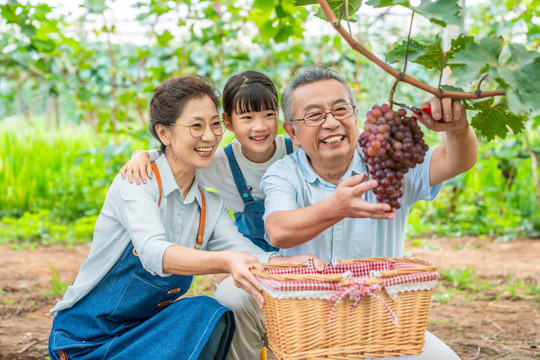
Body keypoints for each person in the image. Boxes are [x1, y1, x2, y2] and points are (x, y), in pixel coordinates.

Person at [215, 66, 477, 360]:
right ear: (293, 133)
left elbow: (454, 161)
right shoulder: (284, 173)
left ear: (355, 116)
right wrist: (335, 207)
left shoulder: (386, 161)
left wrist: (458, 130)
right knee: (230, 295)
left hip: (378, 321)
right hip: (303, 322)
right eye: (314, 116)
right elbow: (279, 230)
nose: (331, 123)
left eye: (341, 110)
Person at [48, 75, 306, 360]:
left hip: (144, 334)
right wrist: (225, 261)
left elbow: (242, 249)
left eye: (214, 124)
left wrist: (284, 263)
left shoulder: (209, 205)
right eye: (196, 125)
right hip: (84, 340)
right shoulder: (137, 183)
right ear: (164, 133)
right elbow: (154, 252)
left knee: (208, 313)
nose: (209, 136)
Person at [121, 71, 294, 252]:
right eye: (247, 117)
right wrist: (144, 155)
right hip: (252, 256)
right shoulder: (221, 163)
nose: (260, 126)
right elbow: (177, 160)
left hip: (303, 253)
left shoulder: (297, 152)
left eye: (268, 115)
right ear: (228, 122)